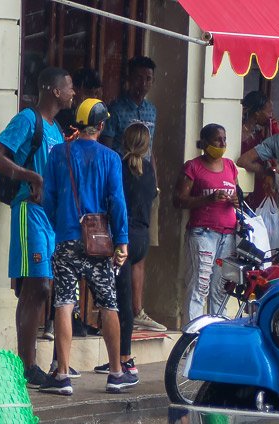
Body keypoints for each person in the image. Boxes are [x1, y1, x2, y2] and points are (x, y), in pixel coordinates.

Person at [40, 99, 136, 396]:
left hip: (66, 239)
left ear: (77, 125)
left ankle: (62, 375)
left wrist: (61, 227)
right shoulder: (110, 158)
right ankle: (116, 372)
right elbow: (117, 202)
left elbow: (48, 199)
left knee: (64, 303)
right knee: (109, 303)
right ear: (102, 126)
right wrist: (122, 239)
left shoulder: (58, 152)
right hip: (99, 242)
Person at [0, 67, 74, 388]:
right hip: (29, 212)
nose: (73, 93)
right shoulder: (28, 119)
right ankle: (26, 365)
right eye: (69, 87)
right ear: (52, 90)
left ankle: (33, 363)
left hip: (50, 217)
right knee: (35, 287)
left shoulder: (55, 129)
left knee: (43, 288)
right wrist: (31, 177)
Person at [100, 55, 164, 333]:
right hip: (120, 183)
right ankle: (116, 311)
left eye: (148, 79)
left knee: (141, 248)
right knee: (119, 248)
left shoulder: (151, 111)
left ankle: (137, 310)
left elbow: (153, 151)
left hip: (145, 186)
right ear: (129, 78)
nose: (144, 84)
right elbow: (105, 146)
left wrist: (154, 183)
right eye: (139, 78)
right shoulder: (115, 109)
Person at [94, 121, 156, 376]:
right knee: (125, 297)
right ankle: (121, 355)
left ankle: (124, 357)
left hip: (125, 237)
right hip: (142, 236)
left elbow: (112, 202)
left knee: (121, 300)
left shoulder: (120, 167)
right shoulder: (150, 169)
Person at [174, 123, 238, 320]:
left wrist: (236, 200)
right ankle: (192, 336)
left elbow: (237, 193)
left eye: (224, 139)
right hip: (203, 233)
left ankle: (216, 333)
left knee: (220, 288)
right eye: (217, 139)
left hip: (228, 235)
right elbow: (179, 200)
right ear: (204, 143)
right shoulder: (193, 167)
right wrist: (207, 200)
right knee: (200, 286)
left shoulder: (229, 166)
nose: (222, 143)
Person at [239, 91, 279, 209]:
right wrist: (264, 172)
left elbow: (275, 161)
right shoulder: (239, 133)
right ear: (257, 113)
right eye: (268, 112)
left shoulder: (261, 134)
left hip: (261, 187)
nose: (270, 116)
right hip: (247, 184)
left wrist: (273, 132)